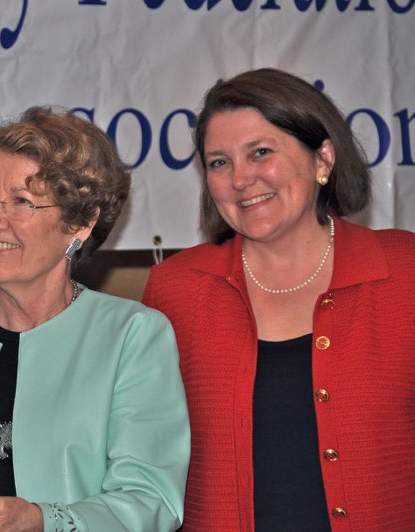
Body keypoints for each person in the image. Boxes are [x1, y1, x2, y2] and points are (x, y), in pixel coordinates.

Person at [0, 106, 190, 531]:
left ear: (80, 223)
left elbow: (151, 500)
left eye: (22, 202)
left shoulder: (131, 338)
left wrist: (46, 521)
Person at [143, 68, 415, 531]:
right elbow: (146, 455)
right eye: (219, 163)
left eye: (261, 153)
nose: (241, 179)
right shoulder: (175, 289)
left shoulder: (404, 272)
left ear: (322, 159)